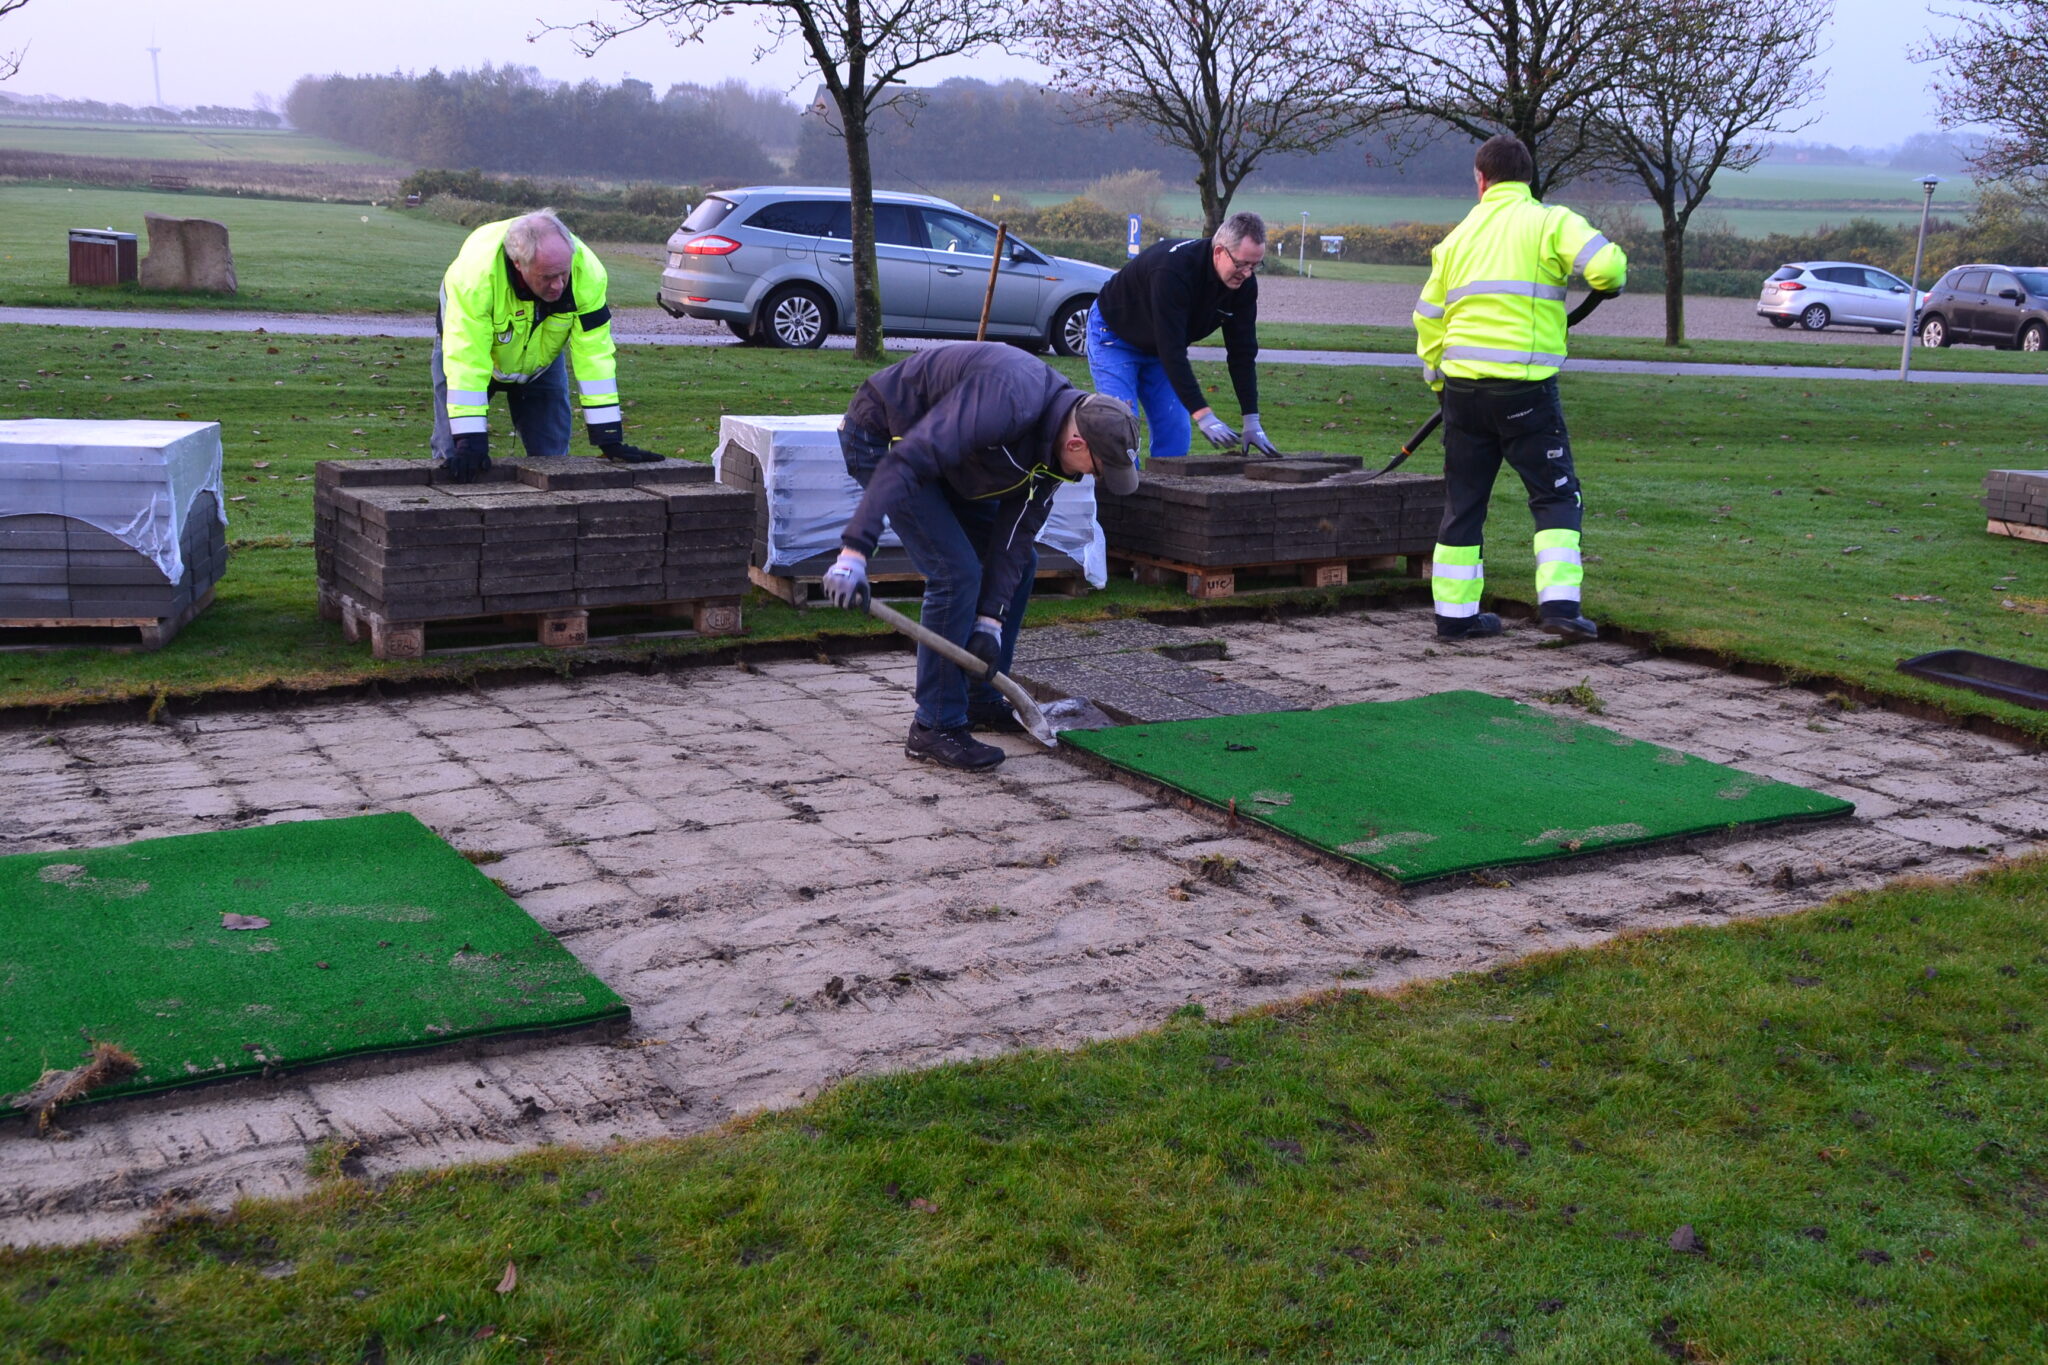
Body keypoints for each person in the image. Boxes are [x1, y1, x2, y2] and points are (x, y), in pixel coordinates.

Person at [821, 343, 1141, 772]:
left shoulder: (1058, 443)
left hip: (955, 460)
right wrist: (854, 551)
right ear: (1078, 441)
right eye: (1097, 469)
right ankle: (934, 726)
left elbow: (1017, 532)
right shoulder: (1007, 401)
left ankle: (977, 695)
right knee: (955, 573)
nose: (1089, 477)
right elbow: (908, 461)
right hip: (886, 437)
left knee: (1021, 565)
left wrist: (990, 620)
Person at [1412, 135, 1627, 643]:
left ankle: (1455, 616)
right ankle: (1558, 606)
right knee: (1555, 496)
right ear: (1528, 178)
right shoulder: (1551, 221)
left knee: (1463, 503)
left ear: (1480, 179)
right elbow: (1609, 269)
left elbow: (1427, 319)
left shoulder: (1456, 238)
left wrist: (1439, 383)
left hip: (1463, 393)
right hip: (1524, 391)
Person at [430, 209, 661, 482]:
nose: (559, 285)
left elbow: (594, 354)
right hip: (467, 354)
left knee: (552, 458)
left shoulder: (588, 274)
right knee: (454, 454)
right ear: (518, 264)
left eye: (563, 274)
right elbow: (467, 359)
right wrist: (469, 439)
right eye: (547, 277)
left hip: (541, 363)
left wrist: (608, 436)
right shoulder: (475, 280)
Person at [1087, 211, 1274, 461]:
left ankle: (1164, 497)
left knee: (1175, 433)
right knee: (1121, 429)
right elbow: (1172, 349)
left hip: (1159, 347)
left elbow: (1242, 353)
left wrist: (1252, 420)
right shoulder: (1173, 271)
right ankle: (1122, 497)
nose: (1247, 273)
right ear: (1219, 252)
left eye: (1255, 265)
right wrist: (1204, 415)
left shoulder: (1244, 286)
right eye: (1241, 264)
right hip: (1114, 335)